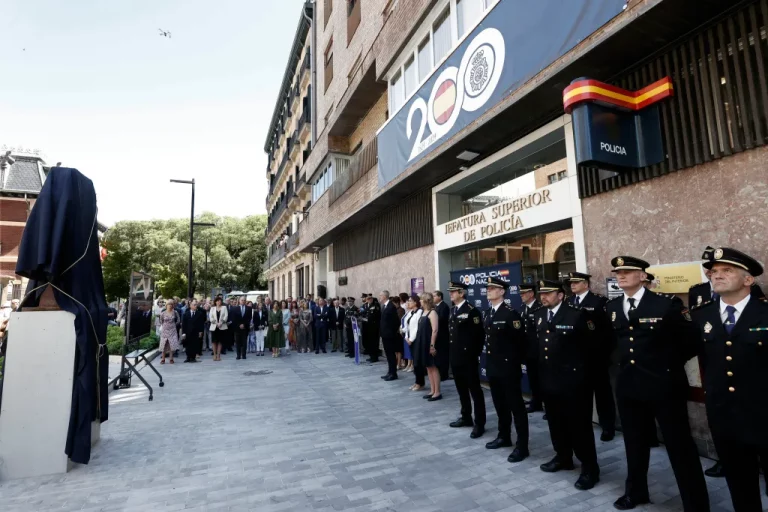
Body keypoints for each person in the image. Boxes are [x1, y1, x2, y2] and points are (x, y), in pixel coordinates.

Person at [605, 256, 709, 511]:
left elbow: (691, 341)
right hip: (629, 387)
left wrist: (665, 365)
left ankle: (695, 504)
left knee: (680, 447)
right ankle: (636, 492)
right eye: (618, 272)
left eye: (627, 271)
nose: (621, 275)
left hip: (663, 386)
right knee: (634, 443)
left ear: (642, 276)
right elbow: (612, 344)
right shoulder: (613, 307)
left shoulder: (666, 305)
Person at [690, 247, 768, 511]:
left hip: (765, 415)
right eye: (714, 271)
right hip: (725, 416)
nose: (717, 275)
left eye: (727, 270)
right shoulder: (702, 315)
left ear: (748, 280)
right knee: (740, 484)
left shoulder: (765, 312)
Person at [535, 279, 599, 489]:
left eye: (548, 293)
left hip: (573, 383)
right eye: (541, 293)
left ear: (560, 295)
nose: (543, 297)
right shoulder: (539, 314)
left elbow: (592, 349)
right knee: (555, 423)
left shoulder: (577, 315)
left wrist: (583, 377)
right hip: (549, 380)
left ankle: (590, 469)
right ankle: (563, 457)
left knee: (579, 427)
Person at [565, 271, 616, 441]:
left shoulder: (599, 301)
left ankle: (607, 427)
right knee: (581, 395)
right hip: (576, 358)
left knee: (603, 394)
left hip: (596, 357)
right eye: (571, 283)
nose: (572, 285)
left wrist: (606, 355)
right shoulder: (568, 301)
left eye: (576, 282)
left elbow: (608, 331)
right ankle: (582, 424)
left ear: (586, 284)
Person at [483, 277, 529, 461]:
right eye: (488, 288)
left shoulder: (511, 314)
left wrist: (512, 364)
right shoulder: (488, 313)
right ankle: (504, 436)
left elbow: (520, 343)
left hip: (508, 368)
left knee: (516, 407)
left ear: (502, 291)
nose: (489, 290)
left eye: (493, 288)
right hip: (493, 367)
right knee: (499, 405)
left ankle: (522, 446)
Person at [447, 281, 486, 440]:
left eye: (454, 291)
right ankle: (466, 416)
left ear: (462, 293)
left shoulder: (472, 311)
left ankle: (480, 423)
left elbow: (478, 336)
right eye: (450, 291)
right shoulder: (453, 310)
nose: (451, 294)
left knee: (474, 390)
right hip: (455, 357)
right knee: (461, 389)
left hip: (468, 358)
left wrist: (473, 355)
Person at [516, 283, 543, 414]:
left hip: (540, 351)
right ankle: (536, 401)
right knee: (532, 378)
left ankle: (547, 405)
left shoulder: (540, 308)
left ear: (531, 294)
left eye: (524, 293)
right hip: (527, 351)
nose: (521, 295)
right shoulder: (522, 309)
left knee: (543, 379)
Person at [415, 292, 441, 400]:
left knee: (433, 367)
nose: (420, 301)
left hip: (429, 343)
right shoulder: (423, 312)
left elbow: (435, 330)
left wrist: (432, 345)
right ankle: (432, 390)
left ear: (426, 300)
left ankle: (437, 392)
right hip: (422, 343)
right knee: (428, 367)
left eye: (421, 299)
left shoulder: (432, 313)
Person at [379, 291, 401, 381]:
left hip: (390, 335)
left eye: (380, 295)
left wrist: (391, 332)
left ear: (384, 296)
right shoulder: (384, 306)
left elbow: (396, 322)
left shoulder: (391, 307)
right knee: (388, 354)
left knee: (391, 354)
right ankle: (390, 371)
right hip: (385, 334)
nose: (379, 297)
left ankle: (393, 373)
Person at [404, 295, 424, 388]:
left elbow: (417, 327)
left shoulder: (419, 312)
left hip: (416, 340)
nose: (408, 303)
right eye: (408, 301)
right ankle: (417, 382)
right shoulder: (410, 312)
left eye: (410, 301)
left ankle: (420, 382)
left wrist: (411, 339)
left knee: (417, 363)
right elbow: (407, 326)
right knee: (414, 362)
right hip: (409, 340)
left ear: (416, 302)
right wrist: (407, 337)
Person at [433, 290, 451, 381]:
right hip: (438, 336)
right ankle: (439, 373)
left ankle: (444, 375)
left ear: (440, 297)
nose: (433, 298)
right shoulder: (436, 307)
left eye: (435, 296)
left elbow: (442, 320)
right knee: (439, 355)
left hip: (443, 335)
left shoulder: (444, 306)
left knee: (443, 355)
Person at [181, 299, 206, 363]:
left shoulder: (199, 314)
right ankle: (188, 357)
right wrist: (183, 333)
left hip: (196, 332)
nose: (195, 306)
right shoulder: (186, 314)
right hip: (188, 332)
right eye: (194, 305)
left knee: (195, 345)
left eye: (196, 305)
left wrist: (201, 332)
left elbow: (201, 324)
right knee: (188, 345)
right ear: (190, 305)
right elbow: (184, 324)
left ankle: (193, 357)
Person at [159, 300, 180, 364]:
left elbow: (178, 320)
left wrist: (174, 325)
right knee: (164, 344)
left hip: (172, 330)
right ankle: (163, 358)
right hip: (165, 330)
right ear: (166, 305)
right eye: (168, 304)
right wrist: (165, 326)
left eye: (171, 304)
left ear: (173, 305)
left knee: (171, 344)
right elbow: (161, 321)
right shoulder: (163, 313)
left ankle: (171, 358)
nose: (170, 306)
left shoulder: (175, 312)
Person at [209, 297, 228, 361]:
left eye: (220, 301)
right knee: (214, 341)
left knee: (220, 341)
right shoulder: (212, 308)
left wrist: (221, 322)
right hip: (214, 327)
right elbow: (211, 317)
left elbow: (226, 316)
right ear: (215, 302)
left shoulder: (224, 308)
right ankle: (214, 354)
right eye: (217, 301)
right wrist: (216, 323)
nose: (219, 302)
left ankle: (218, 355)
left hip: (222, 327)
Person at [364, 295, 381, 362]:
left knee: (374, 343)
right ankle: (371, 356)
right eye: (367, 299)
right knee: (370, 342)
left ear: (371, 299)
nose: (367, 301)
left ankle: (374, 357)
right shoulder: (368, 305)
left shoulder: (375, 305)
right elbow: (366, 313)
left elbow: (375, 316)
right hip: (369, 327)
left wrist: (368, 319)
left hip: (374, 327)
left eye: (369, 299)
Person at [392, 296, 405, 369]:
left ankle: (399, 363)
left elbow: (398, 321)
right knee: (395, 350)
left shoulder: (400, 310)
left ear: (397, 303)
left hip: (398, 332)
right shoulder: (394, 309)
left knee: (398, 349)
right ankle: (396, 362)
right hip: (394, 332)